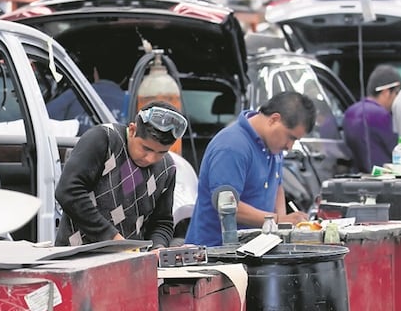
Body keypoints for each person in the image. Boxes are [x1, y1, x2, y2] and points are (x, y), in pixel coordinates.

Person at [185, 91, 314, 245]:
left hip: (257, 249)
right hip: (217, 251)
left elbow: (277, 186)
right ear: (274, 119)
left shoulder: (273, 145)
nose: (290, 146)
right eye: (291, 137)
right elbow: (228, 207)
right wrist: (278, 220)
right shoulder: (232, 146)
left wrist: (283, 230)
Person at [54, 100, 184, 247]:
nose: (151, 158)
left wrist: (158, 247)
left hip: (130, 258)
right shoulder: (103, 139)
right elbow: (68, 192)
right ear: (133, 130)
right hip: (77, 254)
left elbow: (161, 222)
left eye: (161, 152)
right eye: (146, 148)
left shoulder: (167, 168)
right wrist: (111, 237)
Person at [343, 65, 401, 172]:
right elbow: (396, 151)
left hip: (356, 176)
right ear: (386, 92)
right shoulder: (381, 115)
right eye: (396, 93)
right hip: (381, 176)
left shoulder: (349, 112)